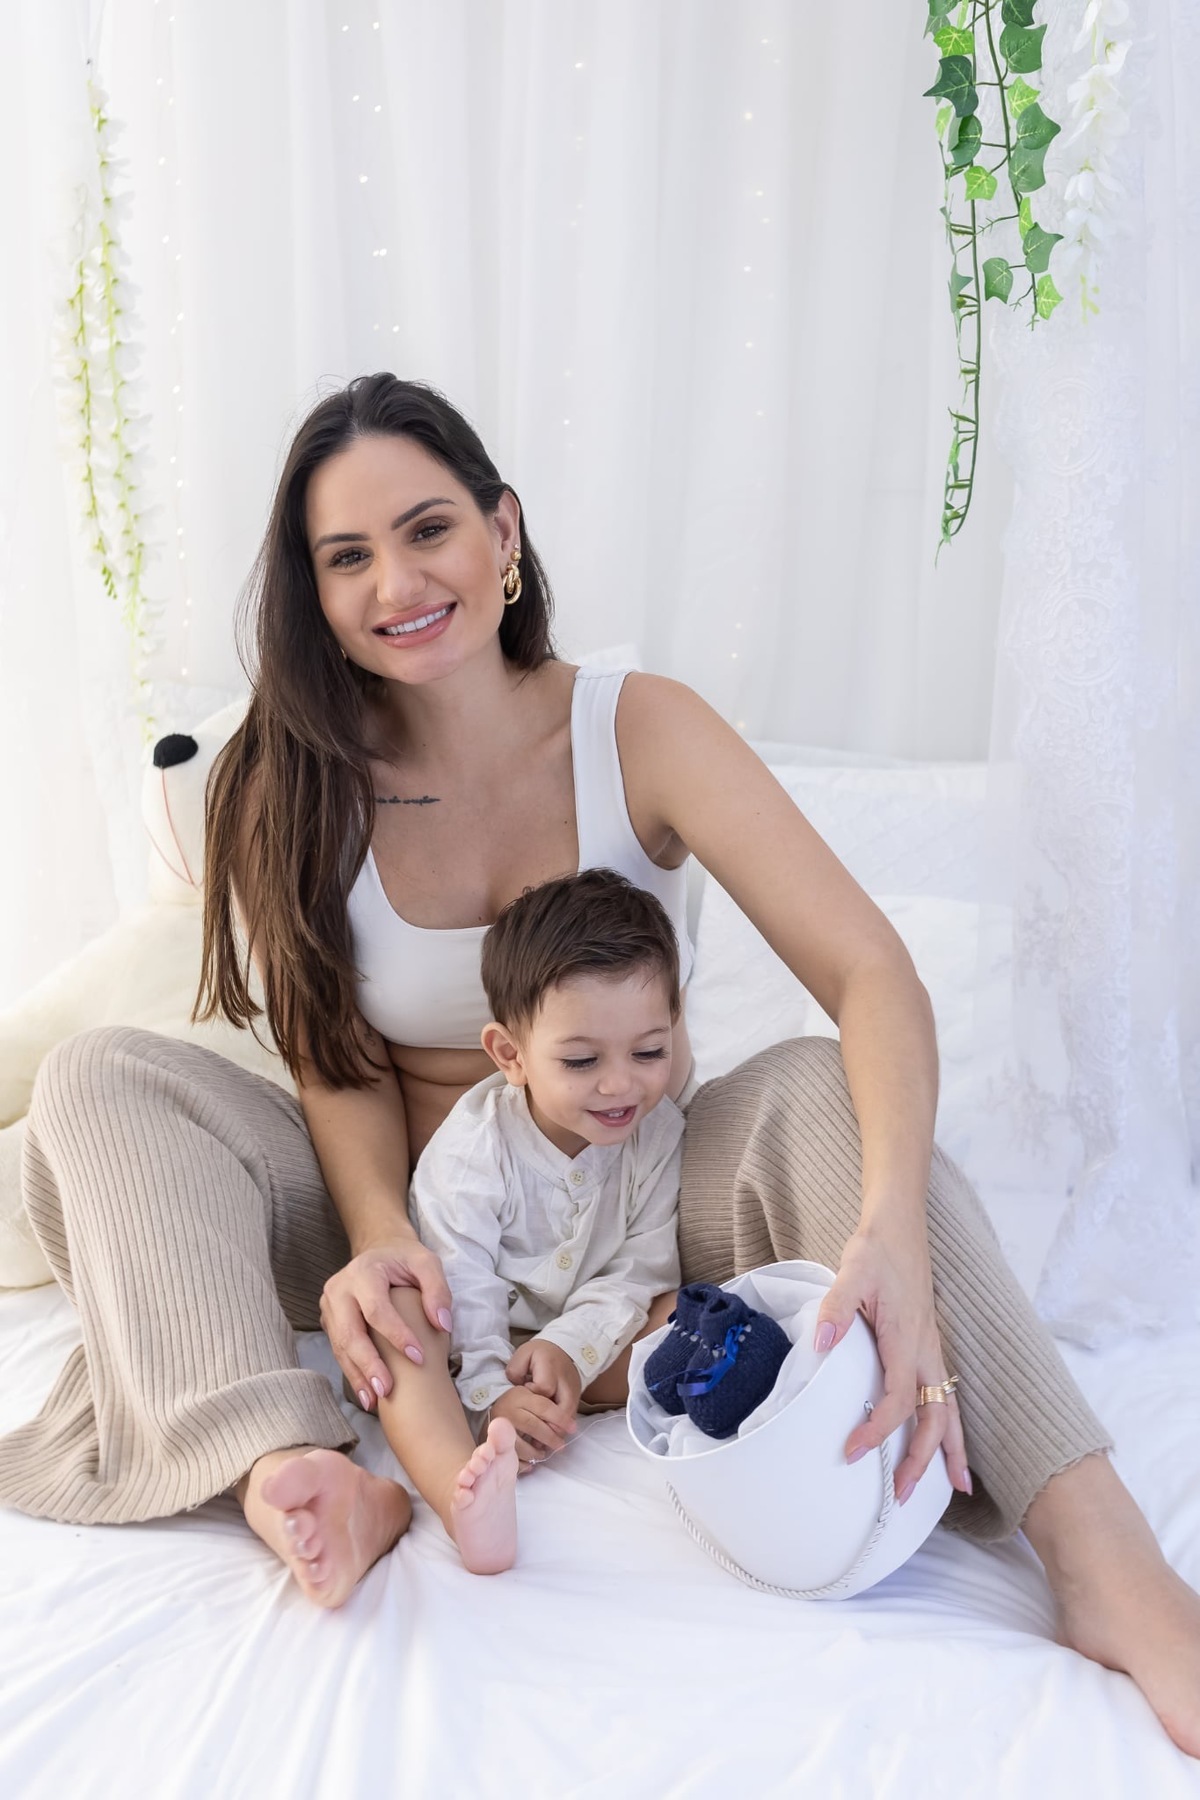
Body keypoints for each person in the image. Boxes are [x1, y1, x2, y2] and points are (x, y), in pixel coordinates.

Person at [1, 374, 1196, 1756]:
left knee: (822, 1086)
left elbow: (873, 977)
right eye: (346, 557)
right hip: (390, 1204)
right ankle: (302, 1468)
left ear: (504, 533)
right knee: (99, 1083)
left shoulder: (638, 726)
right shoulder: (298, 770)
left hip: (640, 1204)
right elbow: (334, 1063)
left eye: (429, 528)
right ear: (313, 592)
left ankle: (1110, 1564)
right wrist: (395, 1256)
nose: (397, 580)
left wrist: (893, 1243)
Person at [385, 867, 686, 1575]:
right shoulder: (474, 1150)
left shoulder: (660, 1131)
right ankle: (468, 1474)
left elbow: (639, 1270)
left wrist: (568, 1350)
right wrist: (493, 1392)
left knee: (689, 1315)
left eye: (650, 1052)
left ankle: (558, 1399)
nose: (621, 1085)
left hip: (585, 1338)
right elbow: (461, 1279)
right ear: (511, 1056)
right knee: (401, 1310)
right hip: (469, 1331)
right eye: (582, 1061)